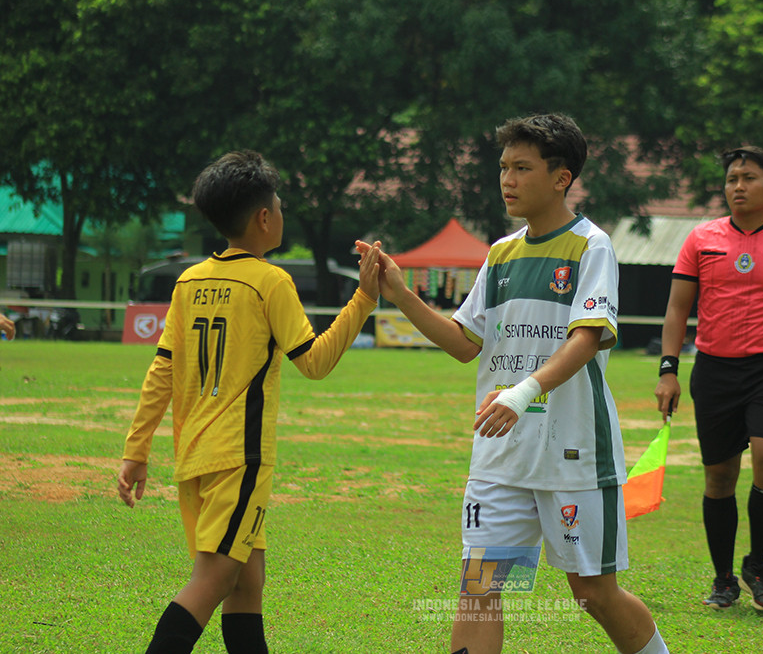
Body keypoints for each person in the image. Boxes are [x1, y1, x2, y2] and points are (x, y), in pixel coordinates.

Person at [358, 113, 668, 654]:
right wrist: (401, 295)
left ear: (561, 177)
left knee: (592, 594)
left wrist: (523, 393)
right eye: (504, 167)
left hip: (573, 453)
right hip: (500, 455)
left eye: (522, 168)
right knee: (480, 589)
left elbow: (587, 339)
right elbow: (464, 342)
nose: (507, 179)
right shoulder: (500, 253)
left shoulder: (591, 246)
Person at [116, 150, 380, 654]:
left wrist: (136, 449)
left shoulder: (189, 281)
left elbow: (162, 369)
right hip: (240, 457)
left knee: (246, 583)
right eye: (278, 205)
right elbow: (314, 361)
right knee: (214, 580)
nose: (281, 212)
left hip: (195, 454)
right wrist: (363, 299)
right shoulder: (270, 281)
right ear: (263, 218)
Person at [654, 145, 763, 612]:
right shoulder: (700, 239)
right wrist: (668, 370)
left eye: (748, 178)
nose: (738, 186)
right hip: (715, 370)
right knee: (719, 477)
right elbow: (677, 309)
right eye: (732, 178)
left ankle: (757, 565)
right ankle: (723, 579)